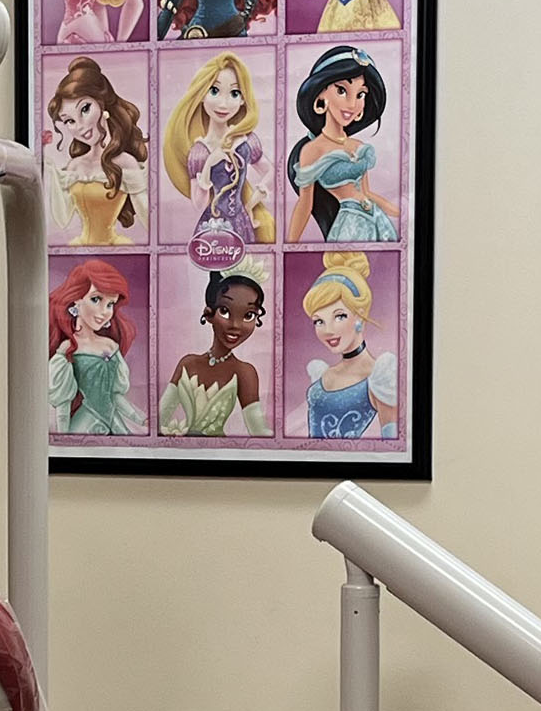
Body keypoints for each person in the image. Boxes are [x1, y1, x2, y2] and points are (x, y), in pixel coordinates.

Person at [160, 51, 272, 263]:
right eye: (214, 91)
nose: (223, 103)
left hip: (242, 223)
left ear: (242, 100)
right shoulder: (200, 152)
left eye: (234, 93)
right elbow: (199, 204)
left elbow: (271, 172)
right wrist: (211, 163)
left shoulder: (246, 141)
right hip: (211, 229)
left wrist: (252, 202)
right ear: (201, 95)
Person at [284, 44, 398, 243]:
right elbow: (305, 203)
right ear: (320, 95)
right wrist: (289, 247)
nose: (352, 104)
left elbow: (367, 193)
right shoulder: (312, 150)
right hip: (350, 226)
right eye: (342, 90)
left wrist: (404, 215)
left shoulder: (357, 146)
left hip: (378, 220)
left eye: (360, 94)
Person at [41, 57, 150, 246]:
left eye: (85, 109)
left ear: (102, 105)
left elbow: (149, 219)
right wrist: (47, 167)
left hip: (115, 249)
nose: (80, 126)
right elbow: (62, 219)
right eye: (69, 121)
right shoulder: (74, 165)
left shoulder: (125, 163)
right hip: (78, 248)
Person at [297, 254, 398, 439]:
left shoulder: (380, 377)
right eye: (319, 321)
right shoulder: (323, 372)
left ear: (359, 315)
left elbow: (390, 447)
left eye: (339, 316)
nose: (327, 330)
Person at [160, 266, 269, 436]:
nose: (235, 325)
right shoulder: (187, 364)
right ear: (208, 314)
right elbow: (159, 418)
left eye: (248, 315)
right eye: (225, 311)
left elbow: (259, 431)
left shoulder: (244, 372)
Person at [45, 259, 147, 435]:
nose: (104, 311)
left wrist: (141, 418)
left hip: (113, 421)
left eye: (110, 304)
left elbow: (115, 396)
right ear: (76, 299)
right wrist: (65, 439)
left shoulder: (111, 346)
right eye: (96, 299)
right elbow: (63, 404)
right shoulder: (68, 348)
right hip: (84, 425)